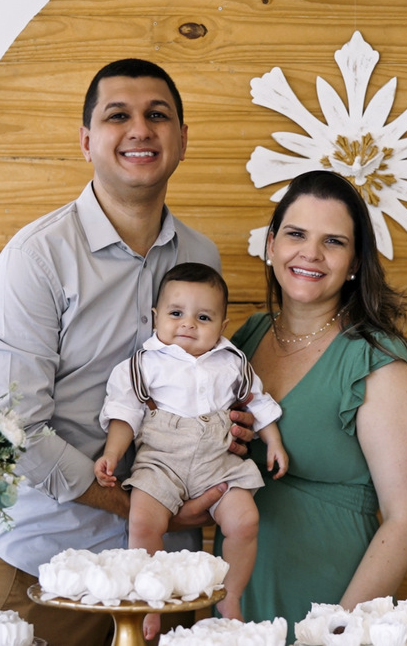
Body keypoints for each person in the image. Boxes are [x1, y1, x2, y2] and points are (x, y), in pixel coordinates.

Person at [0, 58, 254, 645]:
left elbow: (201, 378)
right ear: (86, 141)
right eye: (117, 116)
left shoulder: (201, 256)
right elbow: (16, 429)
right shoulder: (36, 258)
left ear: (182, 140)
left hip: (170, 570)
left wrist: (229, 423)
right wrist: (141, 505)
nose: (140, 130)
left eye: (157, 115)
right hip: (50, 564)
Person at [217, 169, 407, 640]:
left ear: (355, 261)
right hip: (239, 599)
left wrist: (338, 631)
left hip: (331, 601)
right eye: (296, 234)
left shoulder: (378, 361)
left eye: (333, 241)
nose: (310, 253)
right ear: (271, 244)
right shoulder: (246, 337)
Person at [94, 261, 288, 639]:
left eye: (203, 317)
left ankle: (230, 596)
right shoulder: (142, 365)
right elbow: (124, 415)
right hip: (161, 462)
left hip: (218, 462)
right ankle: (148, 600)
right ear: (155, 316)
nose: (188, 324)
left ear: (222, 325)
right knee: (143, 523)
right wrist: (112, 455)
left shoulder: (232, 363)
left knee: (245, 521)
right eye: (176, 314)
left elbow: (259, 402)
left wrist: (274, 442)